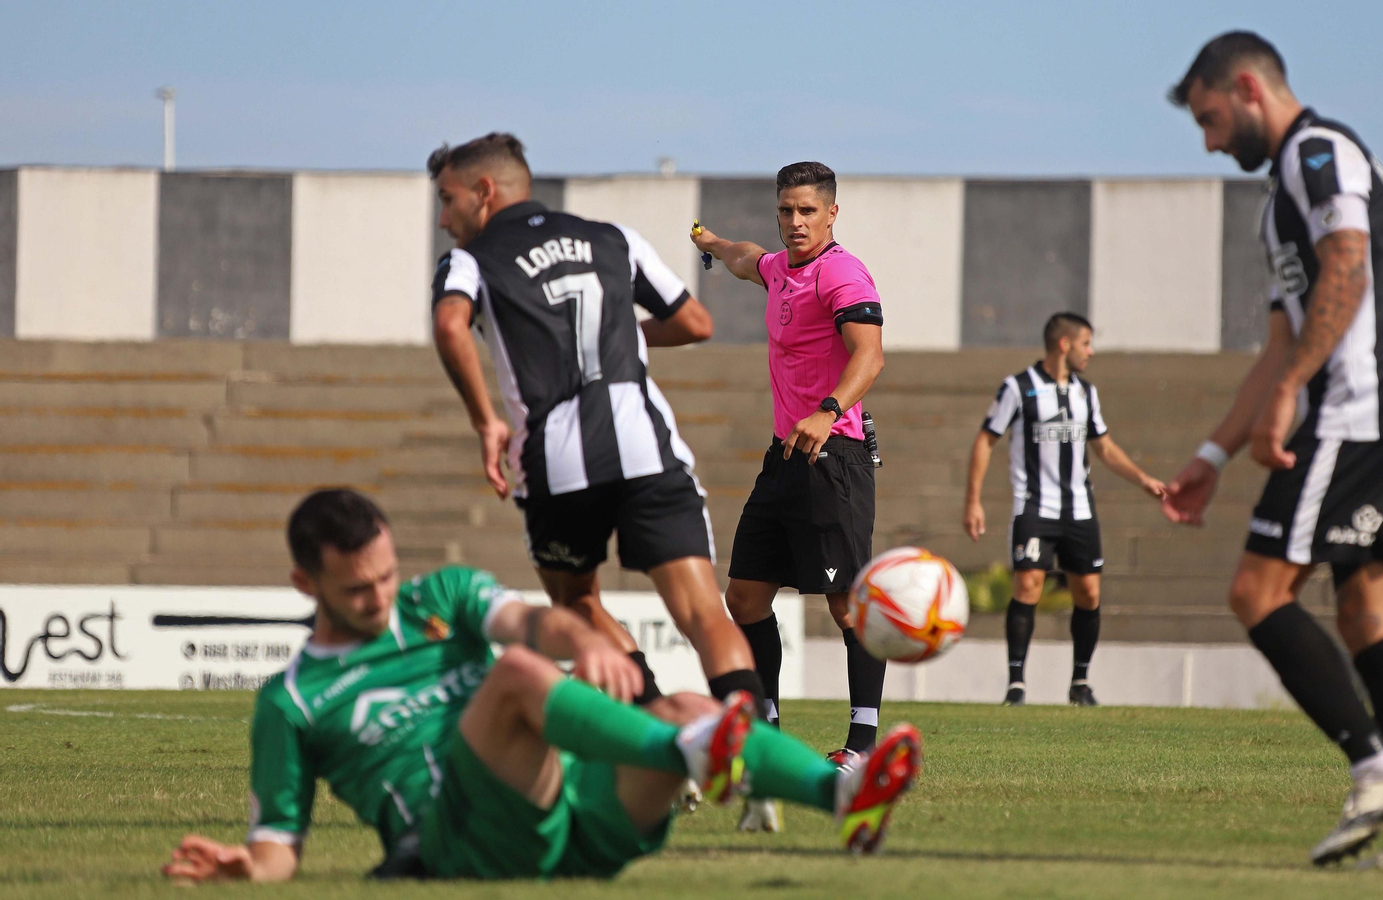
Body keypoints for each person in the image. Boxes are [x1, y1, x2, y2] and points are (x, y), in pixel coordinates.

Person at [159, 489, 923, 884]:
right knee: (519, 680)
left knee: (685, 702)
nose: (382, 597)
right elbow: (277, 846)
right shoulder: (290, 702)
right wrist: (246, 868)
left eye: (388, 575)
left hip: (563, 824)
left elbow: (534, 624)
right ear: (305, 582)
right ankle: (694, 752)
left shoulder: (439, 598)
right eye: (359, 589)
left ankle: (844, 800)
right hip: (454, 840)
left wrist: (587, 640)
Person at [1165, 32, 1383, 869]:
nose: (1209, 140)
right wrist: (1213, 454)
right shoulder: (1279, 201)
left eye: (1211, 119)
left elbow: (1348, 269)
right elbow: (1279, 343)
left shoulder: (1317, 153)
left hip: (1360, 413)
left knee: (1257, 593)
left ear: (1246, 87)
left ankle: (1377, 768)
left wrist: (1290, 392)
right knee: (1367, 617)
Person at [428, 132, 763, 712]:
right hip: (645, 446)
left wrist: (486, 422)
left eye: (447, 199)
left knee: (578, 606)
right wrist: (625, 340)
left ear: (484, 192)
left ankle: (661, 727)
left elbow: (450, 325)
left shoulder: (470, 260)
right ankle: (753, 746)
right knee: (703, 611)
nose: (441, 218)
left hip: (557, 463)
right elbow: (695, 322)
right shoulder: (614, 239)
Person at [691, 161, 886, 831]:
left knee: (846, 603)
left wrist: (829, 409)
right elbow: (749, 260)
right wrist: (713, 244)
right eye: (786, 211)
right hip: (783, 460)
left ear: (832, 213)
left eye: (807, 211)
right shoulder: (779, 268)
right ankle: (769, 734)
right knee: (744, 597)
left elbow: (870, 355)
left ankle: (862, 744)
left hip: (834, 459)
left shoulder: (843, 273)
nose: (795, 222)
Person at [963, 313, 1166, 707]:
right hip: (1035, 506)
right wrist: (973, 500)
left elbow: (1104, 447)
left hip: (1079, 510)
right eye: (1086, 343)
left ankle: (1080, 682)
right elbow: (985, 440)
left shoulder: (1086, 393)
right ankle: (1016, 685)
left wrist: (1143, 479)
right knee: (1027, 586)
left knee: (1088, 592)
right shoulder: (1018, 387)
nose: (1090, 352)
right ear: (1064, 344)